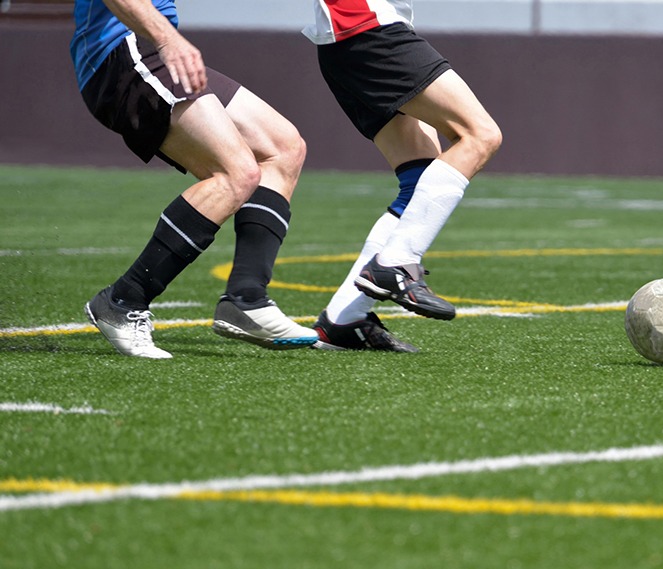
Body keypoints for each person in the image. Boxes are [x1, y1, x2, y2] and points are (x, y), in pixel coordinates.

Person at [72, 0, 318, 359]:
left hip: (152, 46)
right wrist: (168, 40)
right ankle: (123, 301)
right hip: (121, 49)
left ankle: (246, 300)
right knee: (237, 173)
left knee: (283, 148)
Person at [302, 0, 502, 352]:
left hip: (348, 42)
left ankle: (343, 321)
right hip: (367, 28)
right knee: (480, 135)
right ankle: (397, 262)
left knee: (420, 179)